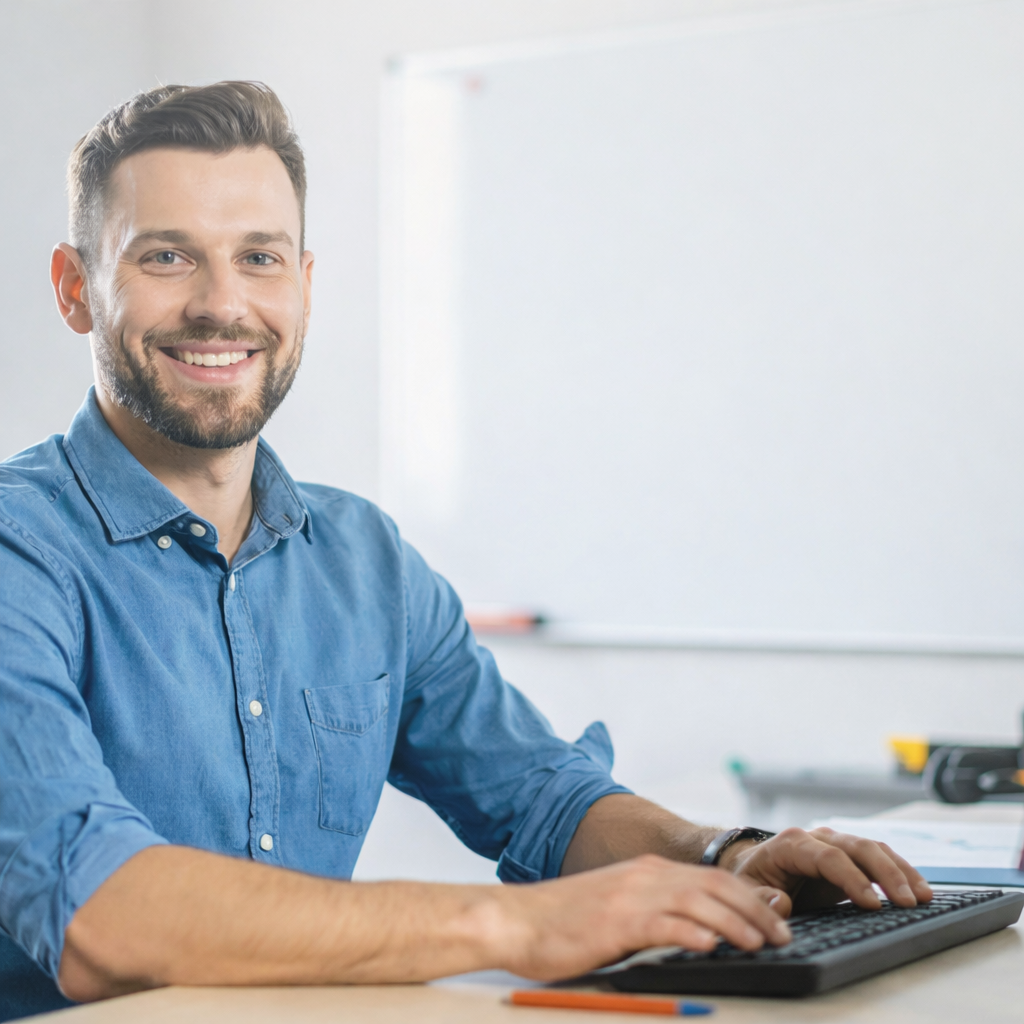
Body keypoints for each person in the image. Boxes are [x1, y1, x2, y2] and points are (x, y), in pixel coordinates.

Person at [0, 81, 932, 1021]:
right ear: (77, 289)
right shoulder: (18, 553)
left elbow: (539, 797)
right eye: (167, 256)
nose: (223, 304)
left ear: (306, 285)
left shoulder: (362, 558)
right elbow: (98, 914)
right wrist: (516, 928)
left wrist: (723, 854)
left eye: (260, 257)